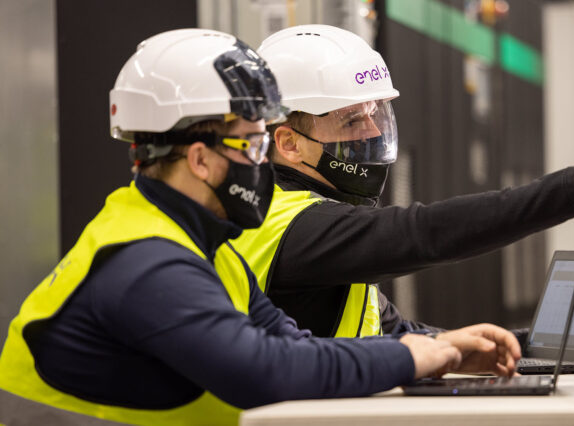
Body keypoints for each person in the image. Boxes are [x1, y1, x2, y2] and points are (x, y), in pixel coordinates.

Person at [0, 29, 521, 426]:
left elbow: (294, 346)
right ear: (200, 160)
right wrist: (410, 357)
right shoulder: (145, 259)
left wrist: (431, 352)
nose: (264, 159)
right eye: (251, 144)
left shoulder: (203, 244)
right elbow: (266, 372)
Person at [230, 24, 574, 339]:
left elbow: (392, 332)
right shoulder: (286, 224)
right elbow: (424, 233)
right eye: (351, 120)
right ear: (288, 144)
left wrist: (509, 346)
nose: (371, 132)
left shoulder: (321, 227)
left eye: (374, 114)